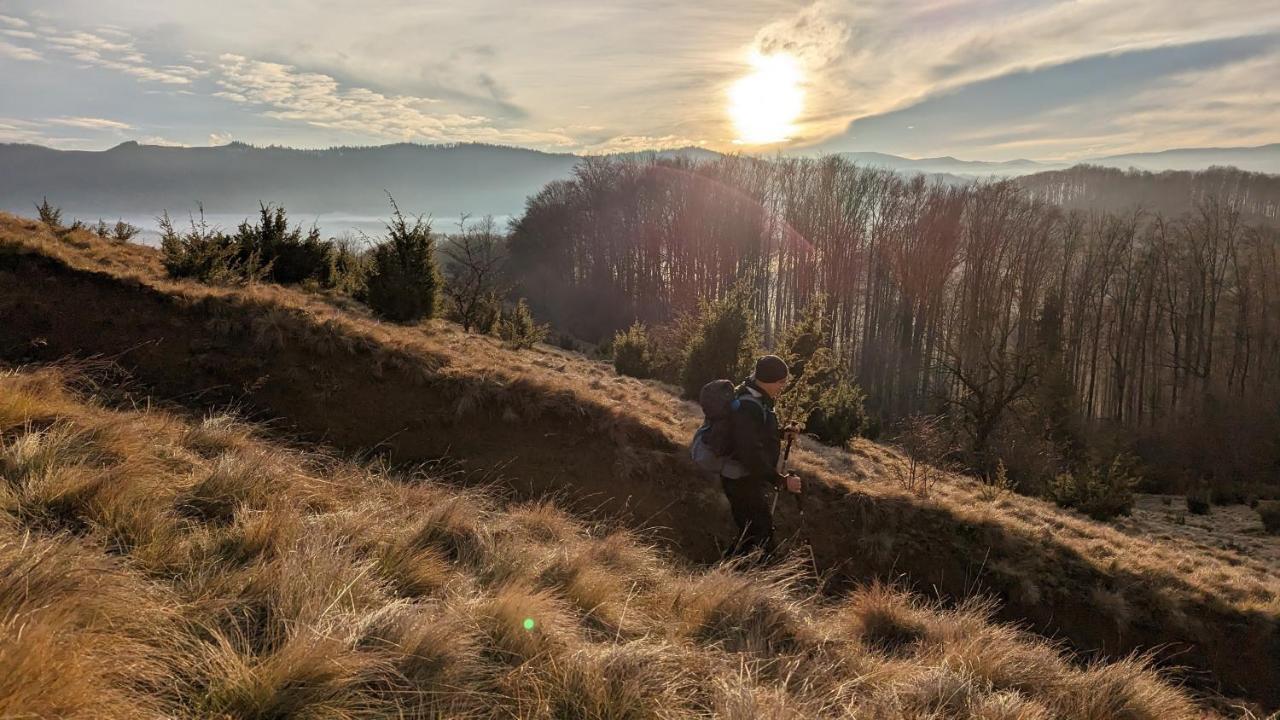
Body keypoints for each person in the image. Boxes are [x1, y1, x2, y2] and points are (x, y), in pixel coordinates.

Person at [721, 354, 802, 559]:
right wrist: (781, 481)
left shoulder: (757, 398)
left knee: (754, 531)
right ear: (768, 380)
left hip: (747, 476)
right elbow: (750, 453)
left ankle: (738, 572)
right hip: (740, 478)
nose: (782, 387)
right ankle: (736, 575)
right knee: (758, 531)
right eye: (781, 382)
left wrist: (782, 433)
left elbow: (758, 434)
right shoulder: (749, 405)